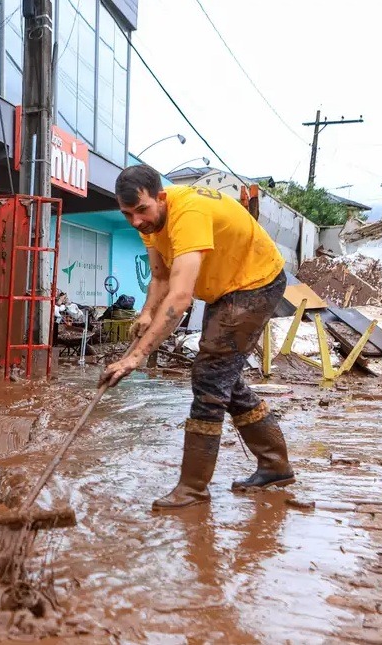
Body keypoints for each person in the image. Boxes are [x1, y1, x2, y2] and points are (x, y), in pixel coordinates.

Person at [100, 165, 295, 510]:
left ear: (160, 197)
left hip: (256, 282)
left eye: (141, 210)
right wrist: (146, 313)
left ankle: (192, 488)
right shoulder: (149, 222)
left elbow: (179, 298)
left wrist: (136, 356)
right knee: (222, 378)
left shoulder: (187, 214)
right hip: (225, 289)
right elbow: (160, 278)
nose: (135, 221)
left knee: (209, 378)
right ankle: (275, 465)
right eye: (126, 214)